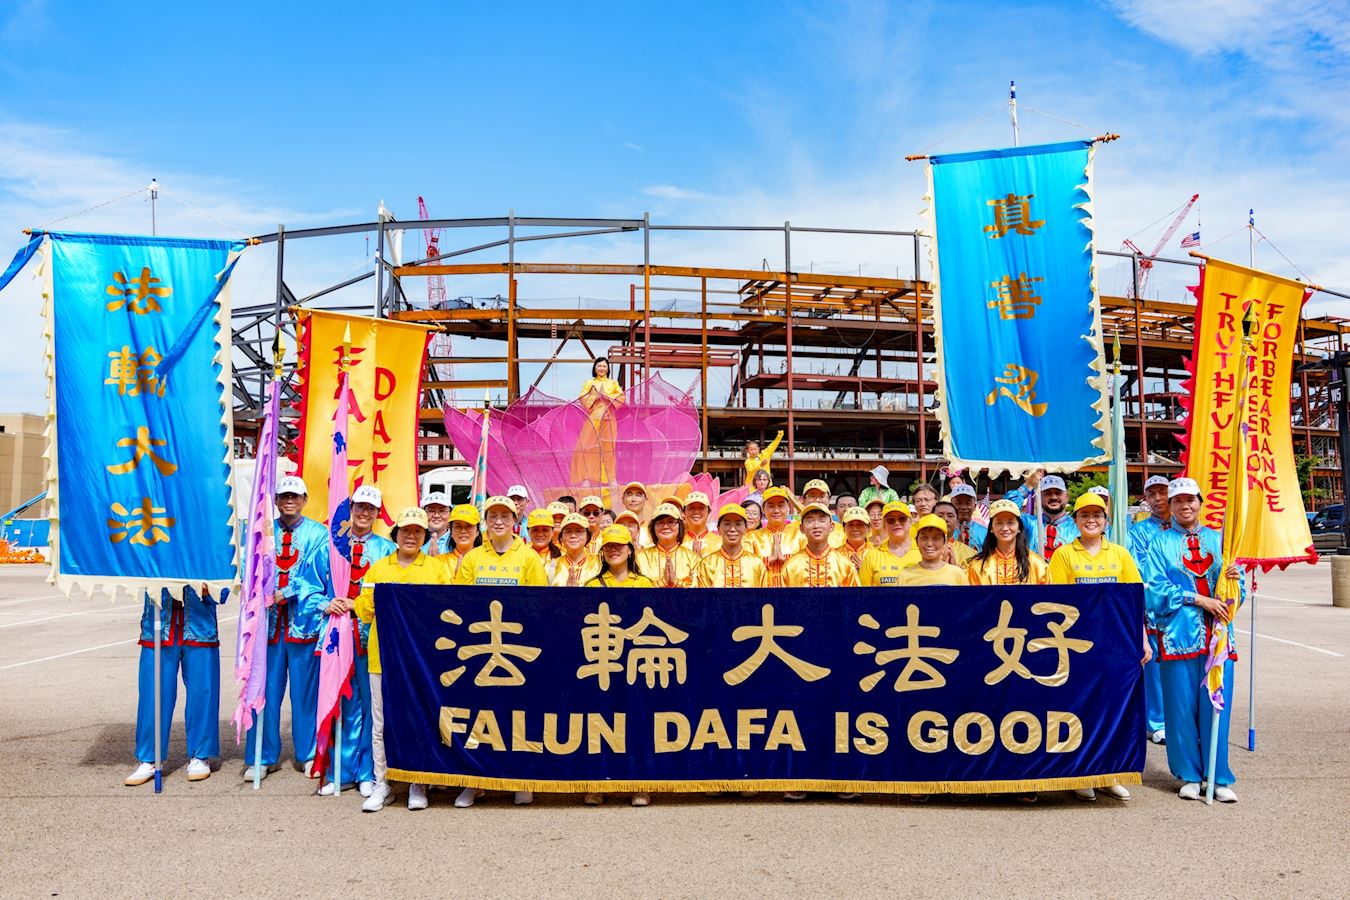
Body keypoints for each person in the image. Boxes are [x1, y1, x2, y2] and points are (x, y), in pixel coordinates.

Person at [1143, 478, 1243, 803]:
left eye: (1190, 500)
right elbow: (1154, 590)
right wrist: (1199, 600)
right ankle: (1188, 774)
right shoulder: (1159, 543)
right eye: (1178, 501)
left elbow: (1236, 593)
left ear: (1200, 503)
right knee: (1180, 710)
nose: (1185, 506)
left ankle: (1217, 775)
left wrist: (1234, 581)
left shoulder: (1219, 540)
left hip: (1218, 639)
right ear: (1170, 507)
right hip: (1177, 637)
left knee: (1216, 708)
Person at [1048, 492, 1150, 802]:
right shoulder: (1064, 555)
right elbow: (1057, 603)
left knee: (1112, 710)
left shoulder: (1120, 554)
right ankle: (1081, 774)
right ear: (1075, 520)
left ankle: (1109, 774)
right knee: (1080, 707)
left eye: (1097, 515)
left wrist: (1142, 638)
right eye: (1084, 515)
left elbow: (1134, 601)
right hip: (1077, 646)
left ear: (1106, 521)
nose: (1091, 520)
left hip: (1115, 645)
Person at [451, 496, 547, 808]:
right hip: (481, 650)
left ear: (515, 521)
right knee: (478, 716)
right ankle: (474, 781)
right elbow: (461, 602)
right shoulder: (473, 558)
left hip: (517, 651)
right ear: (486, 522)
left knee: (519, 715)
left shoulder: (529, 557)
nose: (499, 521)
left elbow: (539, 605)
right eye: (493, 515)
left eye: (505, 515)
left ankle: (521, 779)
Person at [355, 506, 449, 812]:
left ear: (425, 536)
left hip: (421, 660)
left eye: (418, 531)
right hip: (382, 657)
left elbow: (444, 612)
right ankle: (382, 783)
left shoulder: (436, 569)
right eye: (406, 530)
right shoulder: (378, 568)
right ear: (396, 534)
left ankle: (417, 782)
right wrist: (375, 598)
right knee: (381, 723)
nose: (411, 536)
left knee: (418, 719)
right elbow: (363, 611)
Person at [243, 475, 333, 783]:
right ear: (276, 500)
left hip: (303, 624)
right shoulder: (262, 531)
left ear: (305, 499)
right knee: (264, 690)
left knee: (304, 694)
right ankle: (262, 755)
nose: (289, 501)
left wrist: (287, 591)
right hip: (266, 628)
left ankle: (308, 754)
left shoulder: (318, 533)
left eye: (295, 496)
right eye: (284, 496)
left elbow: (317, 573)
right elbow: (249, 567)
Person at [320, 483, 395, 797]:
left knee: (369, 703)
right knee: (340, 701)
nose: (364, 513)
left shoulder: (387, 550)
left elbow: (392, 593)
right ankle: (339, 770)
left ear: (378, 514)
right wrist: (326, 603)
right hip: (337, 634)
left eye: (371, 508)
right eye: (360, 507)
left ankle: (366, 771)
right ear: (350, 509)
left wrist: (361, 604)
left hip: (370, 636)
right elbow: (310, 585)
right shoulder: (332, 547)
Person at [583, 524, 654, 806]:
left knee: (638, 722)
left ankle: (640, 785)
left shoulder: (644, 584)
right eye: (608, 546)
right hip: (603, 662)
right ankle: (597, 783)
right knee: (601, 722)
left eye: (619, 546)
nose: (614, 550)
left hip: (636, 664)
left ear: (630, 550)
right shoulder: (592, 585)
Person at [125, 584, 224, 787]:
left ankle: (201, 755)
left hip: (199, 624)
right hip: (158, 623)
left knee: (202, 692)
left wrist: (211, 590)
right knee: (153, 695)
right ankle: (149, 758)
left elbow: (224, 582)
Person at [1129, 474, 1172, 743]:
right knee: (1155, 667)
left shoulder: (1184, 527)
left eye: (1162, 492)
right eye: (1152, 494)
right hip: (1155, 608)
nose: (1158, 499)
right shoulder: (1138, 532)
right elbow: (1142, 570)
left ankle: (1183, 719)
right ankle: (1157, 721)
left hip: (1185, 609)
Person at [967, 499, 1049, 586]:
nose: (1005, 528)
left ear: (1019, 527)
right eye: (999, 523)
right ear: (991, 528)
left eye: (1010, 522)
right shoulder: (977, 566)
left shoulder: (1037, 565)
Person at [781, 503, 859, 588]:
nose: (816, 525)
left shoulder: (845, 565)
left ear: (831, 526)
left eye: (822, 520)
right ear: (802, 528)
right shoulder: (791, 566)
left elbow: (856, 596)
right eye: (810, 521)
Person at [575, 358, 624, 487]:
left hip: (608, 418)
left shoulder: (613, 383)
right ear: (595, 368)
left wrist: (606, 396)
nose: (602, 368)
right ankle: (587, 478)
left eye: (604, 366)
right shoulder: (589, 383)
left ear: (608, 369)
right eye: (599, 366)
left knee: (609, 448)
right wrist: (595, 397)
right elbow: (582, 397)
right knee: (588, 447)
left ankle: (611, 478)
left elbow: (621, 397)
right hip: (593, 419)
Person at [694, 503, 768, 587]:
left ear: (745, 529)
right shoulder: (707, 564)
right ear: (718, 529)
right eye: (727, 524)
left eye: (738, 524)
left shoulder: (756, 564)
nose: (732, 529)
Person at [745, 487, 806, 586]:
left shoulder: (800, 535)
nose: (776, 510)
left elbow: (808, 566)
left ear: (788, 508)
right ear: (763, 510)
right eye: (771, 506)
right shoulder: (751, 538)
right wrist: (768, 560)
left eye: (781, 505)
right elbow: (745, 568)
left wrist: (786, 559)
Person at [638, 503, 699, 588]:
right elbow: (636, 591)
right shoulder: (640, 557)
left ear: (680, 526)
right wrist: (662, 582)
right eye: (660, 523)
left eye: (671, 522)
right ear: (653, 528)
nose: (665, 527)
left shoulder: (693, 558)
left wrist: (676, 582)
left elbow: (699, 591)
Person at [859, 502, 920, 586]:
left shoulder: (922, 552)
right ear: (884, 525)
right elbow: (862, 592)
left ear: (910, 522)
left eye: (902, 519)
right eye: (891, 520)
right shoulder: (872, 556)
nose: (897, 523)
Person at [897, 516, 967, 586]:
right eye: (924, 538)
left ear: (945, 542)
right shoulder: (905, 576)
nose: (929, 544)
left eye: (936, 538)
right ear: (916, 541)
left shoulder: (957, 574)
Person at [1021, 475, 1078, 559]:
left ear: (1067, 497)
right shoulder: (1029, 523)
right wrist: (1027, 487)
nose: (1053, 497)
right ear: (1038, 498)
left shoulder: (1077, 527)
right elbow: (1005, 508)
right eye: (1047, 493)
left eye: (1058, 493)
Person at [552, 513, 600, 586]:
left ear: (587, 536)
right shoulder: (551, 566)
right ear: (561, 538)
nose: (573, 536)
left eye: (578, 531)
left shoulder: (599, 563)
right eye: (568, 531)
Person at [441, 504, 482, 578]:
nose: (463, 531)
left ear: (477, 531)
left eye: (469, 526)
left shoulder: (486, 561)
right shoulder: (439, 562)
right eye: (458, 526)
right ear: (451, 531)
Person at [932, 500, 976, 567]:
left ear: (957, 523)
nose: (945, 519)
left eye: (950, 516)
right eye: (940, 516)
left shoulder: (971, 554)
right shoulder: (923, 550)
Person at [681, 491, 721, 557]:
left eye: (701, 508)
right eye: (691, 508)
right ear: (683, 513)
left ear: (709, 512)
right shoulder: (677, 542)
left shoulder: (720, 542)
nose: (696, 512)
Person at [948, 484, 987, 550]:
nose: (963, 507)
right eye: (958, 503)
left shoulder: (984, 532)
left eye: (968, 503)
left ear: (975, 506)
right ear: (951, 506)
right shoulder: (945, 531)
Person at [526, 508, 561, 574]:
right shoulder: (521, 554)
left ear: (552, 532)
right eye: (535, 530)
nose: (540, 534)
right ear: (528, 531)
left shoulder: (561, 555)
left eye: (545, 530)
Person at [839, 506, 873, 571]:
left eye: (860, 525)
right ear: (844, 528)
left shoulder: (876, 553)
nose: (855, 529)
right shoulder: (836, 554)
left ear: (869, 528)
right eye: (850, 525)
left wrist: (864, 570)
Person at [422, 490, 453, 555]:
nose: (436, 515)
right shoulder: (417, 539)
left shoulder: (456, 540)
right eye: (431, 511)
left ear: (450, 514)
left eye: (442, 511)